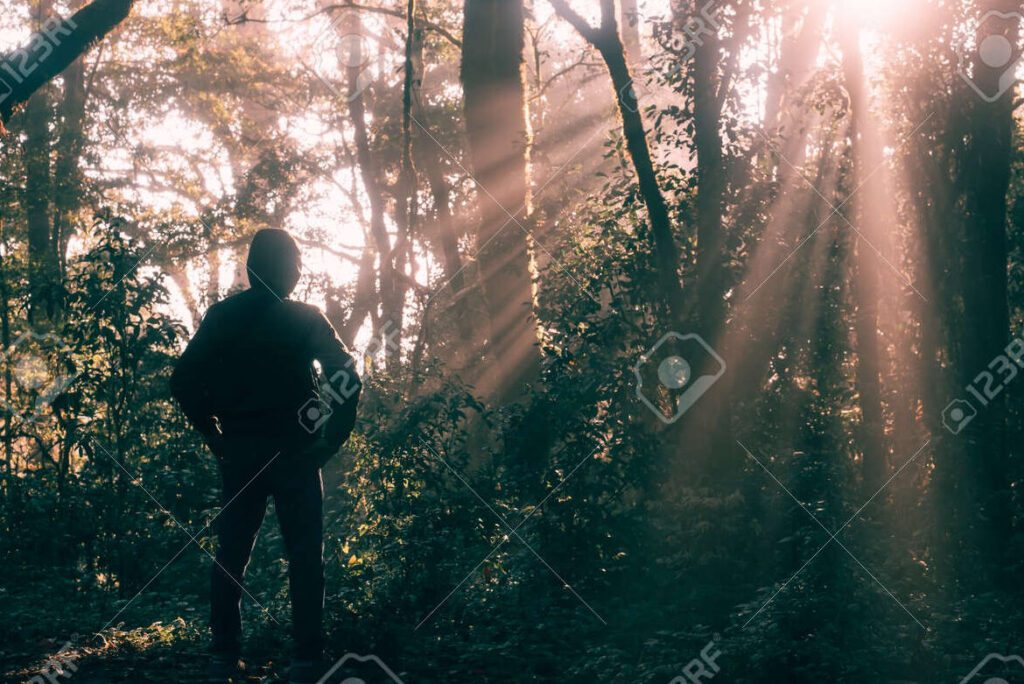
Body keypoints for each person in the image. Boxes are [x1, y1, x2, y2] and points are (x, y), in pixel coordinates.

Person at [170, 229, 361, 684]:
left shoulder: (222, 317)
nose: (300, 269)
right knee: (303, 555)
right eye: (295, 261)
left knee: (231, 552)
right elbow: (347, 375)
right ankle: (306, 660)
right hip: (297, 452)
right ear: (277, 266)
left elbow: (182, 381)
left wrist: (215, 437)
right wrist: (329, 442)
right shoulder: (305, 318)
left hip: (240, 451)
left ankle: (223, 658)